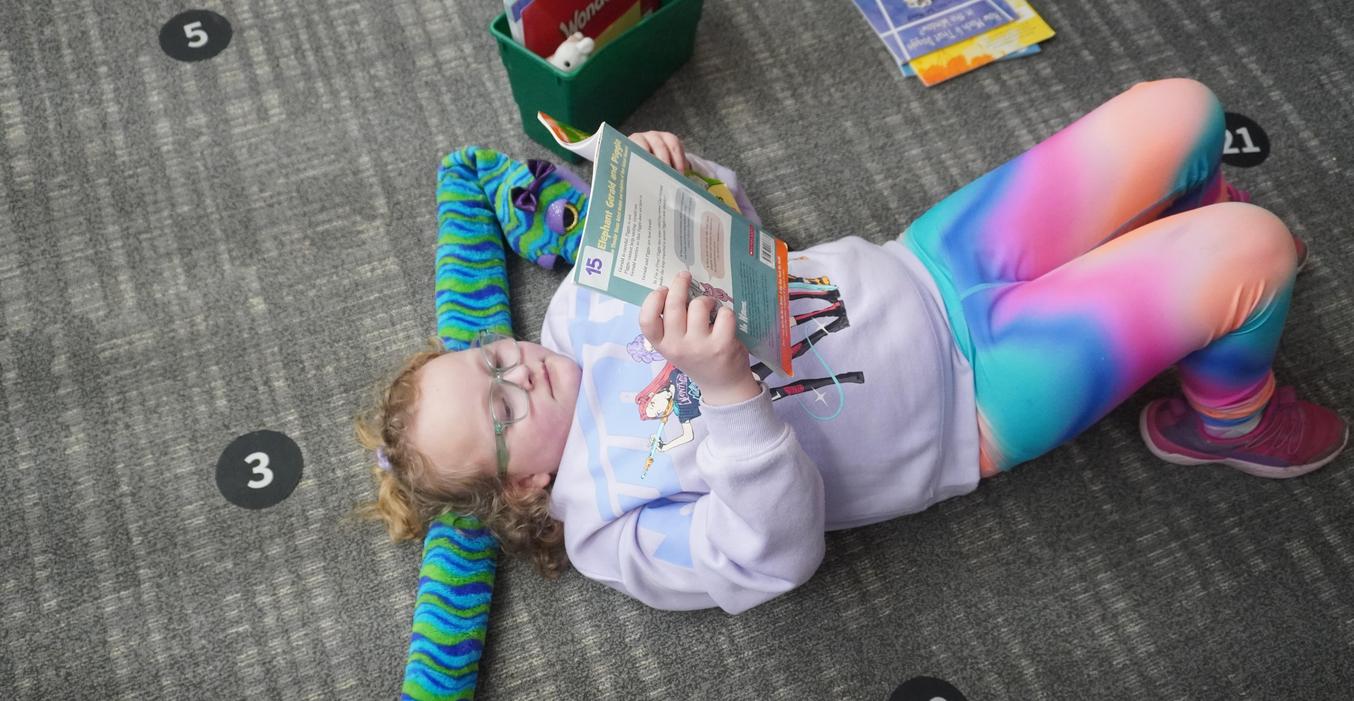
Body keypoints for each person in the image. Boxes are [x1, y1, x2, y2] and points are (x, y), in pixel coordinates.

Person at [356, 79, 1347, 613]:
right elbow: (776, 557)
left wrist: (683, 179)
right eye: (502, 413)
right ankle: (1226, 415)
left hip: (927, 262)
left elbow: (735, 233)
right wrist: (729, 390)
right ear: (520, 487)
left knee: (1184, 108)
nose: (515, 372)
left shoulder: (578, 310)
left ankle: (1185, 283)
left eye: (488, 359)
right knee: (1255, 249)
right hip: (973, 397)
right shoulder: (612, 530)